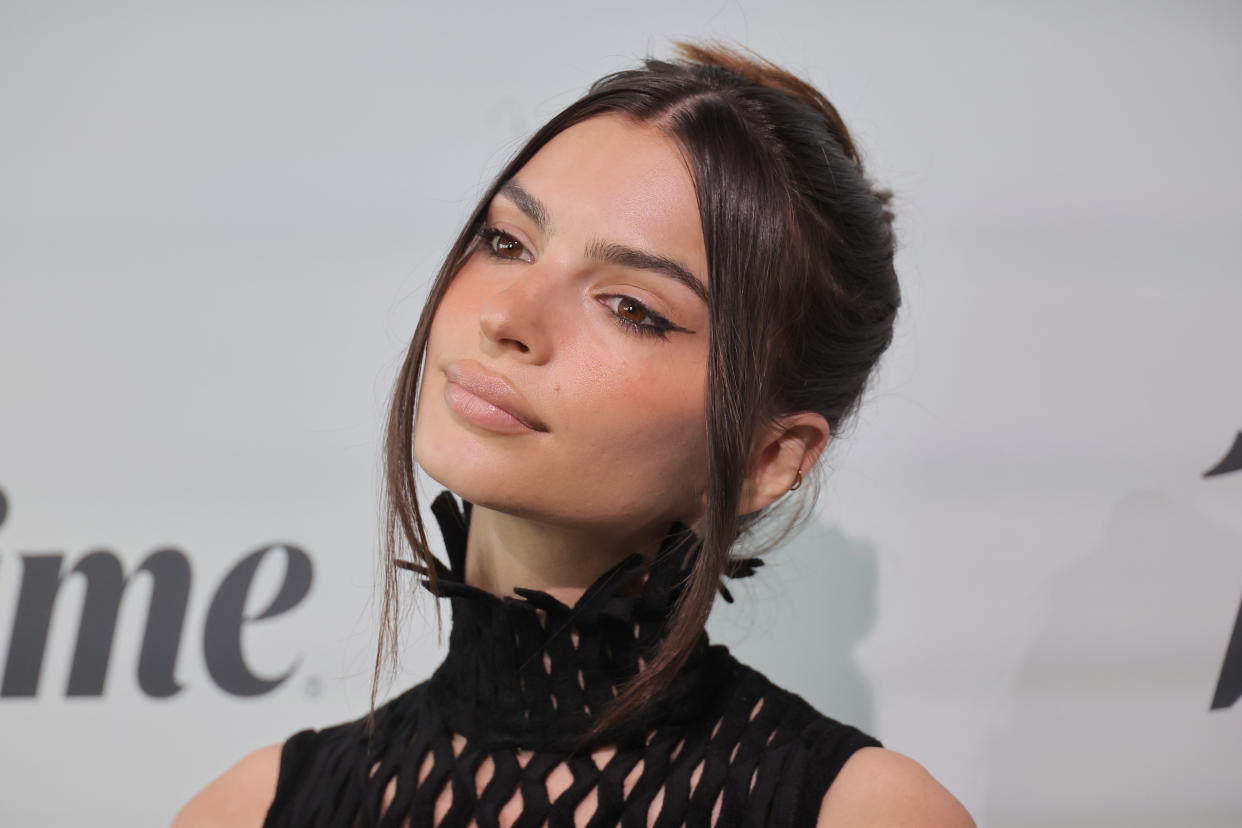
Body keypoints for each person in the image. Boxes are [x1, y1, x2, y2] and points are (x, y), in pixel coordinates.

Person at [174, 40, 975, 827]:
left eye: (632, 308)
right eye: (506, 242)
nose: (507, 317)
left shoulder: (871, 815)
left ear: (768, 459)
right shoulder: (249, 809)